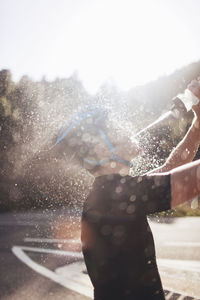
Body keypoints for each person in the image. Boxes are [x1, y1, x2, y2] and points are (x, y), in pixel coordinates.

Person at [55, 79, 200, 299]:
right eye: (115, 128)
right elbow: (192, 180)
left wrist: (198, 123)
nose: (126, 128)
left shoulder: (111, 191)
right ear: (101, 148)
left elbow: (171, 168)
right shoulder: (113, 197)